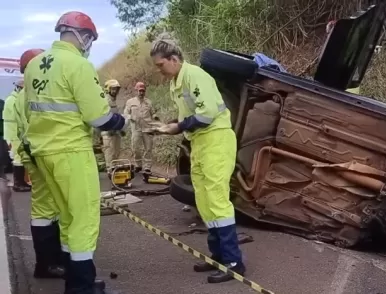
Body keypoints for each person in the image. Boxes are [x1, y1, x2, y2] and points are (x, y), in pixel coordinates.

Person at [23, 11, 127, 293]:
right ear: (81, 35)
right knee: (83, 219)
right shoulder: (79, 65)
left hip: (44, 153)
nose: (89, 43)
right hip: (71, 151)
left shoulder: (33, 66)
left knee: (67, 217)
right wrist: (121, 121)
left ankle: (73, 278)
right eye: (90, 37)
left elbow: (28, 112)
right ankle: (82, 287)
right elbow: (99, 117)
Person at [150, 34, 245, 283]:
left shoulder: (195, 76)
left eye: (161, 65)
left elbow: (206, 113)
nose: (159, 70)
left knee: (216, 198)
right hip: (200, 143)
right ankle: (218, 256)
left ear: (173, 58)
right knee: (203, 199)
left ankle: (234, 262)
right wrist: (168, 125)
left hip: (216, 139)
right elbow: (187, 116)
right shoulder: (176, 82)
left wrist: (177, 127)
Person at [15, 48, 66, 279]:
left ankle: (49, 262)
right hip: (37, 152)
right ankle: (47, 265)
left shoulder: (26, 94)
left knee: (48, 207)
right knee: (45, 208)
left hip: (34, 151)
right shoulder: (30, 95)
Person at [3, 80, 31, 191]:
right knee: (18, 158)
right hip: (15, 133)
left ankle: (20, 182)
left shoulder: (11, 99)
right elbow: (22, 118)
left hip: (12, 133)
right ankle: (19, 184)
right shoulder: (15, 101)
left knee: (18, 157)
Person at [124, 81, 157, 174]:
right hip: (136, 129)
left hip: (147, 128)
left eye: (143, 91)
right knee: (135, 148)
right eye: (140, 91)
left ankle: (147, 167)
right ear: (136, 91)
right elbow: (126, 113)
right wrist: (131, 117)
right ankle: (138, 165)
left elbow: (153, 112)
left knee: (148, 148)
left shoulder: (149, 102)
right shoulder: (130, 102)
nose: (141, 93)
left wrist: (155, 117)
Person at [102, 79, 125, 174]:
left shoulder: (116, 101)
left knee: (116, 152)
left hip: (116, 131)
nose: (115, 91)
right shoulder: (104, 101)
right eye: (113, 89)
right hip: (108, 131)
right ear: (108, 89)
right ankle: (110, 171)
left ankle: (115, 171)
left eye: (116, 89)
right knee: (109, 152)